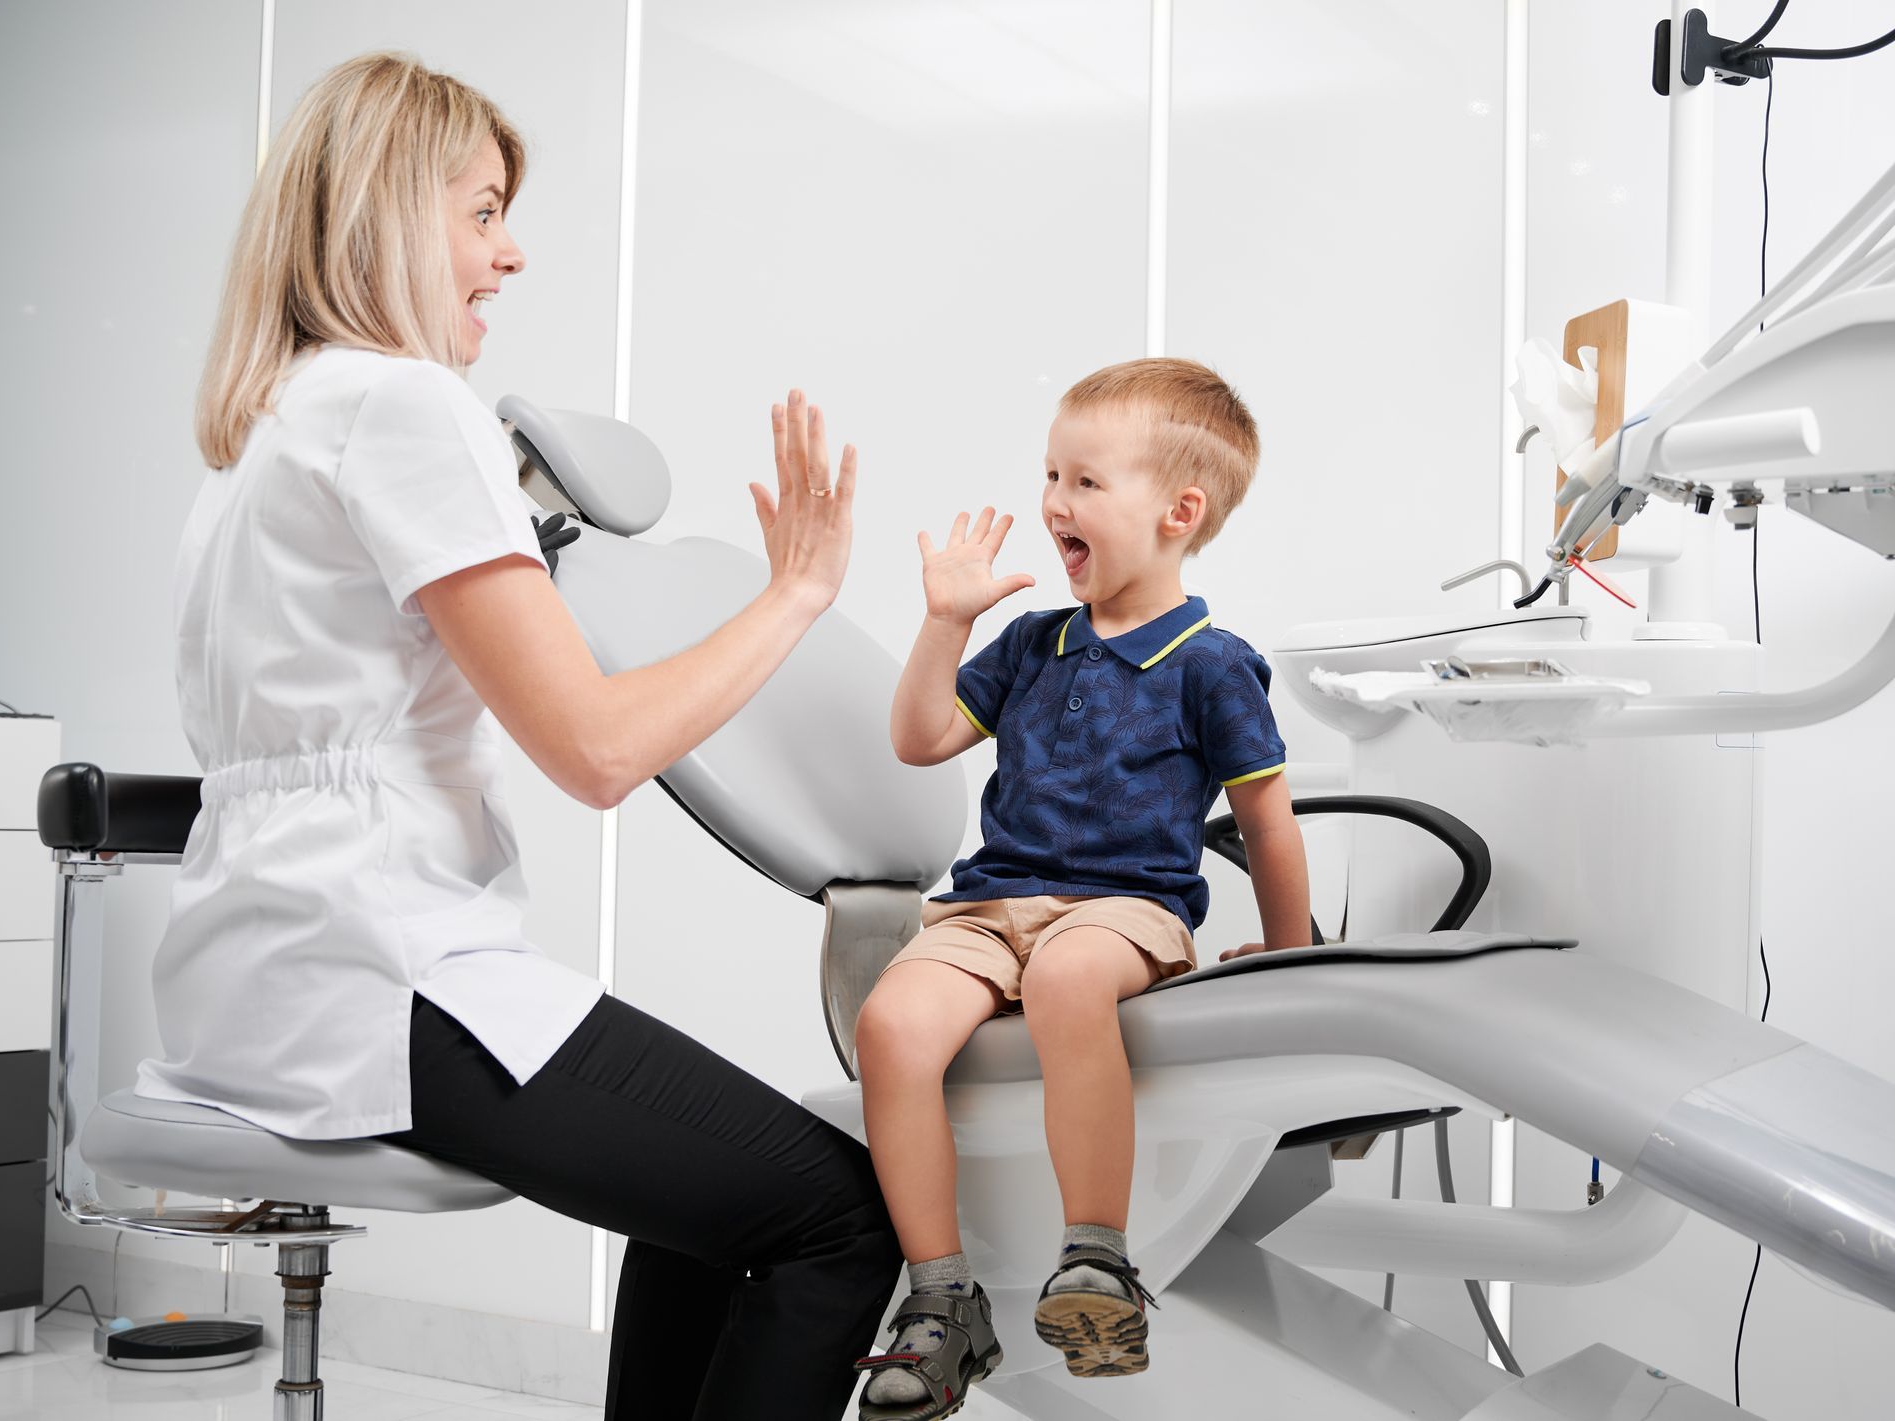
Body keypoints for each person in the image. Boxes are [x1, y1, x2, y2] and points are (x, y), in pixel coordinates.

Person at [141, 51, 899, 1419]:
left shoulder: (268, 431)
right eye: (482, 212)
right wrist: (793, 596)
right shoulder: (407, 406)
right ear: (386, 210)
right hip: (376, 971)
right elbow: (599, 749)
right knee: (839, 1217)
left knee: (708, 1205)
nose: (511, 253)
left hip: (254, 974)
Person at [851, 358, 1313, 1419]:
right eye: (1050, 473)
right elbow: (920, 738)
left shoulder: (1212, 662)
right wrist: (945, 622)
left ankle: (1096, 1261)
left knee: (1068, 978)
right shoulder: (1029, 644)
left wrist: (1288, 955)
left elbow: (1266, 824)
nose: (1054, 499)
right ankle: (941, 1299)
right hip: (987, 906)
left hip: (1124, 908)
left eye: (1086, 482)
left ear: (1177, 513)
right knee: (889, 1025)